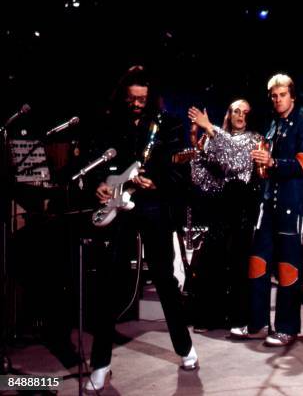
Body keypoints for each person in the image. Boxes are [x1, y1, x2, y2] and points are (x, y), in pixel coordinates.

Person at [85, 66, 197, 392]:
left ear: (151, 98)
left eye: (142, 99)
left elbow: (180, 174)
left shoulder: (167, 126)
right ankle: (101, 364)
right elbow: (95, 161)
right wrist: (98, 186)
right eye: (132, 99)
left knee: (164, 279)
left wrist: (156, 181)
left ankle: (185, 348)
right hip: (118, 210)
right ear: (124, 96)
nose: (137, 104)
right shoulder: (108, 123)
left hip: (153, 208)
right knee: (109, 284)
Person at [231, 73, 303, 347]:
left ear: (292, 96)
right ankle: (258, 324)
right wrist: (261, 166)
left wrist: (273, 161)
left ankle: (287, 328)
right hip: (267, 203)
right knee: (257, 261)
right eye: (274, 96)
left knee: (288, 266)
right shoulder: (272, 126)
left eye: (282, 95)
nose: (278, 100)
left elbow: (302, 165)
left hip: (291, 204)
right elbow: (266, 165)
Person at [186, 100, 262, 331]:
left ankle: (239, 319)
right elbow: (201, 178)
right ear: (229, 114)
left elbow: (236, 161)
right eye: (236, 111)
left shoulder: (254, 139)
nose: (240, 116)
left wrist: (210, 128)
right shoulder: (215, 136)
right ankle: (210, 317)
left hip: (242, 205)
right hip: (222, 205)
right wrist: (198, 149)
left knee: (239, 262)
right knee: (211, 260)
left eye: (245, 112)